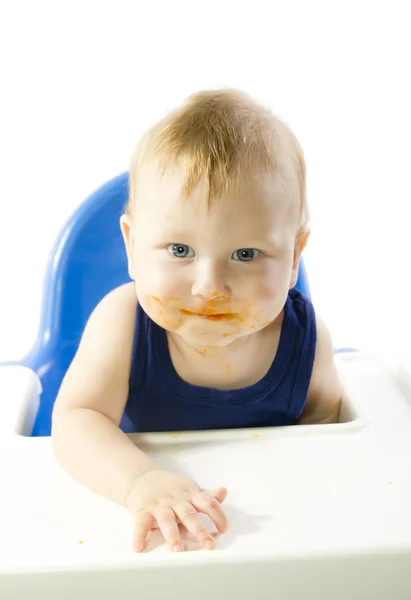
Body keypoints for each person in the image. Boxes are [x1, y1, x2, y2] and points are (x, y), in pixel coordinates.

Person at [51, 89, 342, 554]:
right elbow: (75, 422)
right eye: (180, 250)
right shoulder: (124, 322)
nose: (210, 286)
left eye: (246, 254)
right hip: (161, 536)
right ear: (131, 245)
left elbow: (332, 443)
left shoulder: (306, 340)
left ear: (293, 258)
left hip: (265, 538)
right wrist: (140, 481)